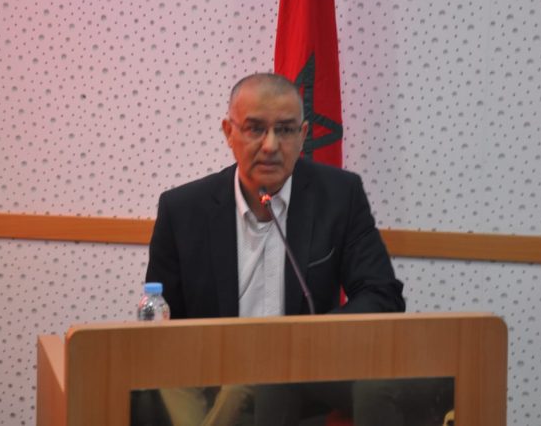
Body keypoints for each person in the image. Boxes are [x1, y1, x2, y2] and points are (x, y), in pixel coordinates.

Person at [145, 73, 406, 425]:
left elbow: (381, 295)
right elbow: (162, 324)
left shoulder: (339, 196)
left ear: (303, 135)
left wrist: (306, 341)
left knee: (380, 388)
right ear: (229, 132)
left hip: (305, 374)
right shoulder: (183, 210)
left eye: (284, 130)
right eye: (255, 129)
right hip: (214, 375)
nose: (270, 145)